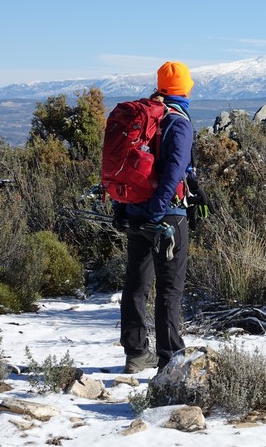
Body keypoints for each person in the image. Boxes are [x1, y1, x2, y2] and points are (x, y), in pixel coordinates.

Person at [120, 61, 194, 374]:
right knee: (169, 289)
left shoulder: (145, 116)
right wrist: (158, 209)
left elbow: (124, 163)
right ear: (186, 88)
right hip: (167, 217)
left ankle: (137, 354)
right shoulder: (178, 121)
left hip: (135, 209)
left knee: (136, 284)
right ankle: (170, 359)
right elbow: (175, 169)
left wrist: (121, 207)